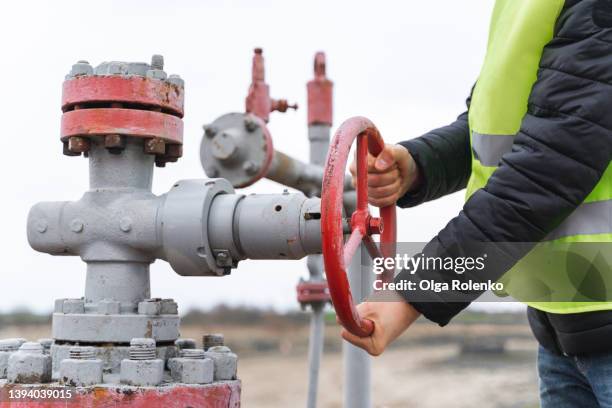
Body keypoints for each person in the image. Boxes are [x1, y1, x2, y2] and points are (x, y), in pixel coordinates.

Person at [345, 1, 612, 407]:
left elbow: (550, 165)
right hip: (561, 329)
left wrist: (412, 295)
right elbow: (512, 123)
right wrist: (420, 164)